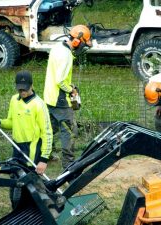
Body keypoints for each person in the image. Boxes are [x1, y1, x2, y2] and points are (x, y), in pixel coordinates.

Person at [0, 71, 53, 175]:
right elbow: (12, 122)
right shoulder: (14, 100)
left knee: (30, 183)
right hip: (17, 148)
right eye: (20, 88)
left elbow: (47, 133)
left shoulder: (39, 105)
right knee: (15, 180)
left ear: (31, 85)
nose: (22, 91)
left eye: (25, 88)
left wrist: (44, 160)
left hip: (32, 150)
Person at [44, 25, 92, 170]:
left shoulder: (57, 48)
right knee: (70, 132)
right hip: (60, 99)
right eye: (84, 44)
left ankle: (46, 155)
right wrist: (71, 90)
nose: (83, 47)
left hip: (49, 96)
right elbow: (60, 80)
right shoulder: (66, 56)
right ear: (77, 41)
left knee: (50, 129)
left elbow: (56, 75)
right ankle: (68, 164)